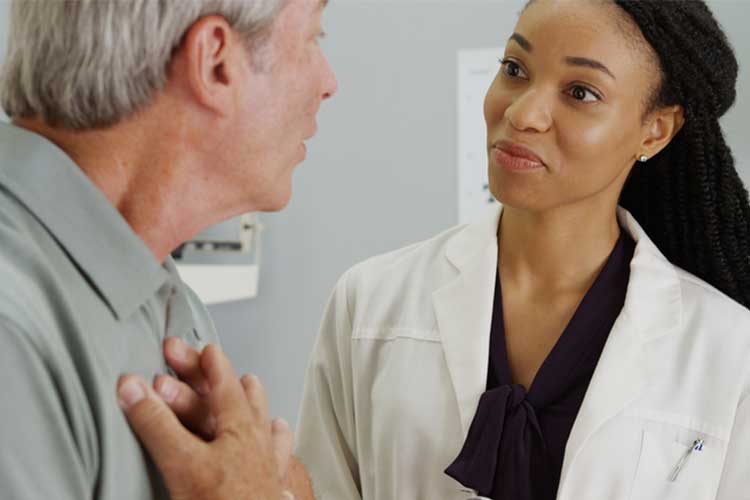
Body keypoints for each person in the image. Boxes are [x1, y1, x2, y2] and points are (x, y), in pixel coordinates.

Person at [112, 0, 749, 499]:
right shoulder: (371, 302)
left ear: (655, 129)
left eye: (580, 93)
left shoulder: (729, 352)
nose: (523, 113)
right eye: (515, 70)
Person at [0, 0, 335, 499]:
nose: (327, 82)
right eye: (313, 39)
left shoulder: (168, 300)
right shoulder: (12, 329)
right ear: (215, 61)